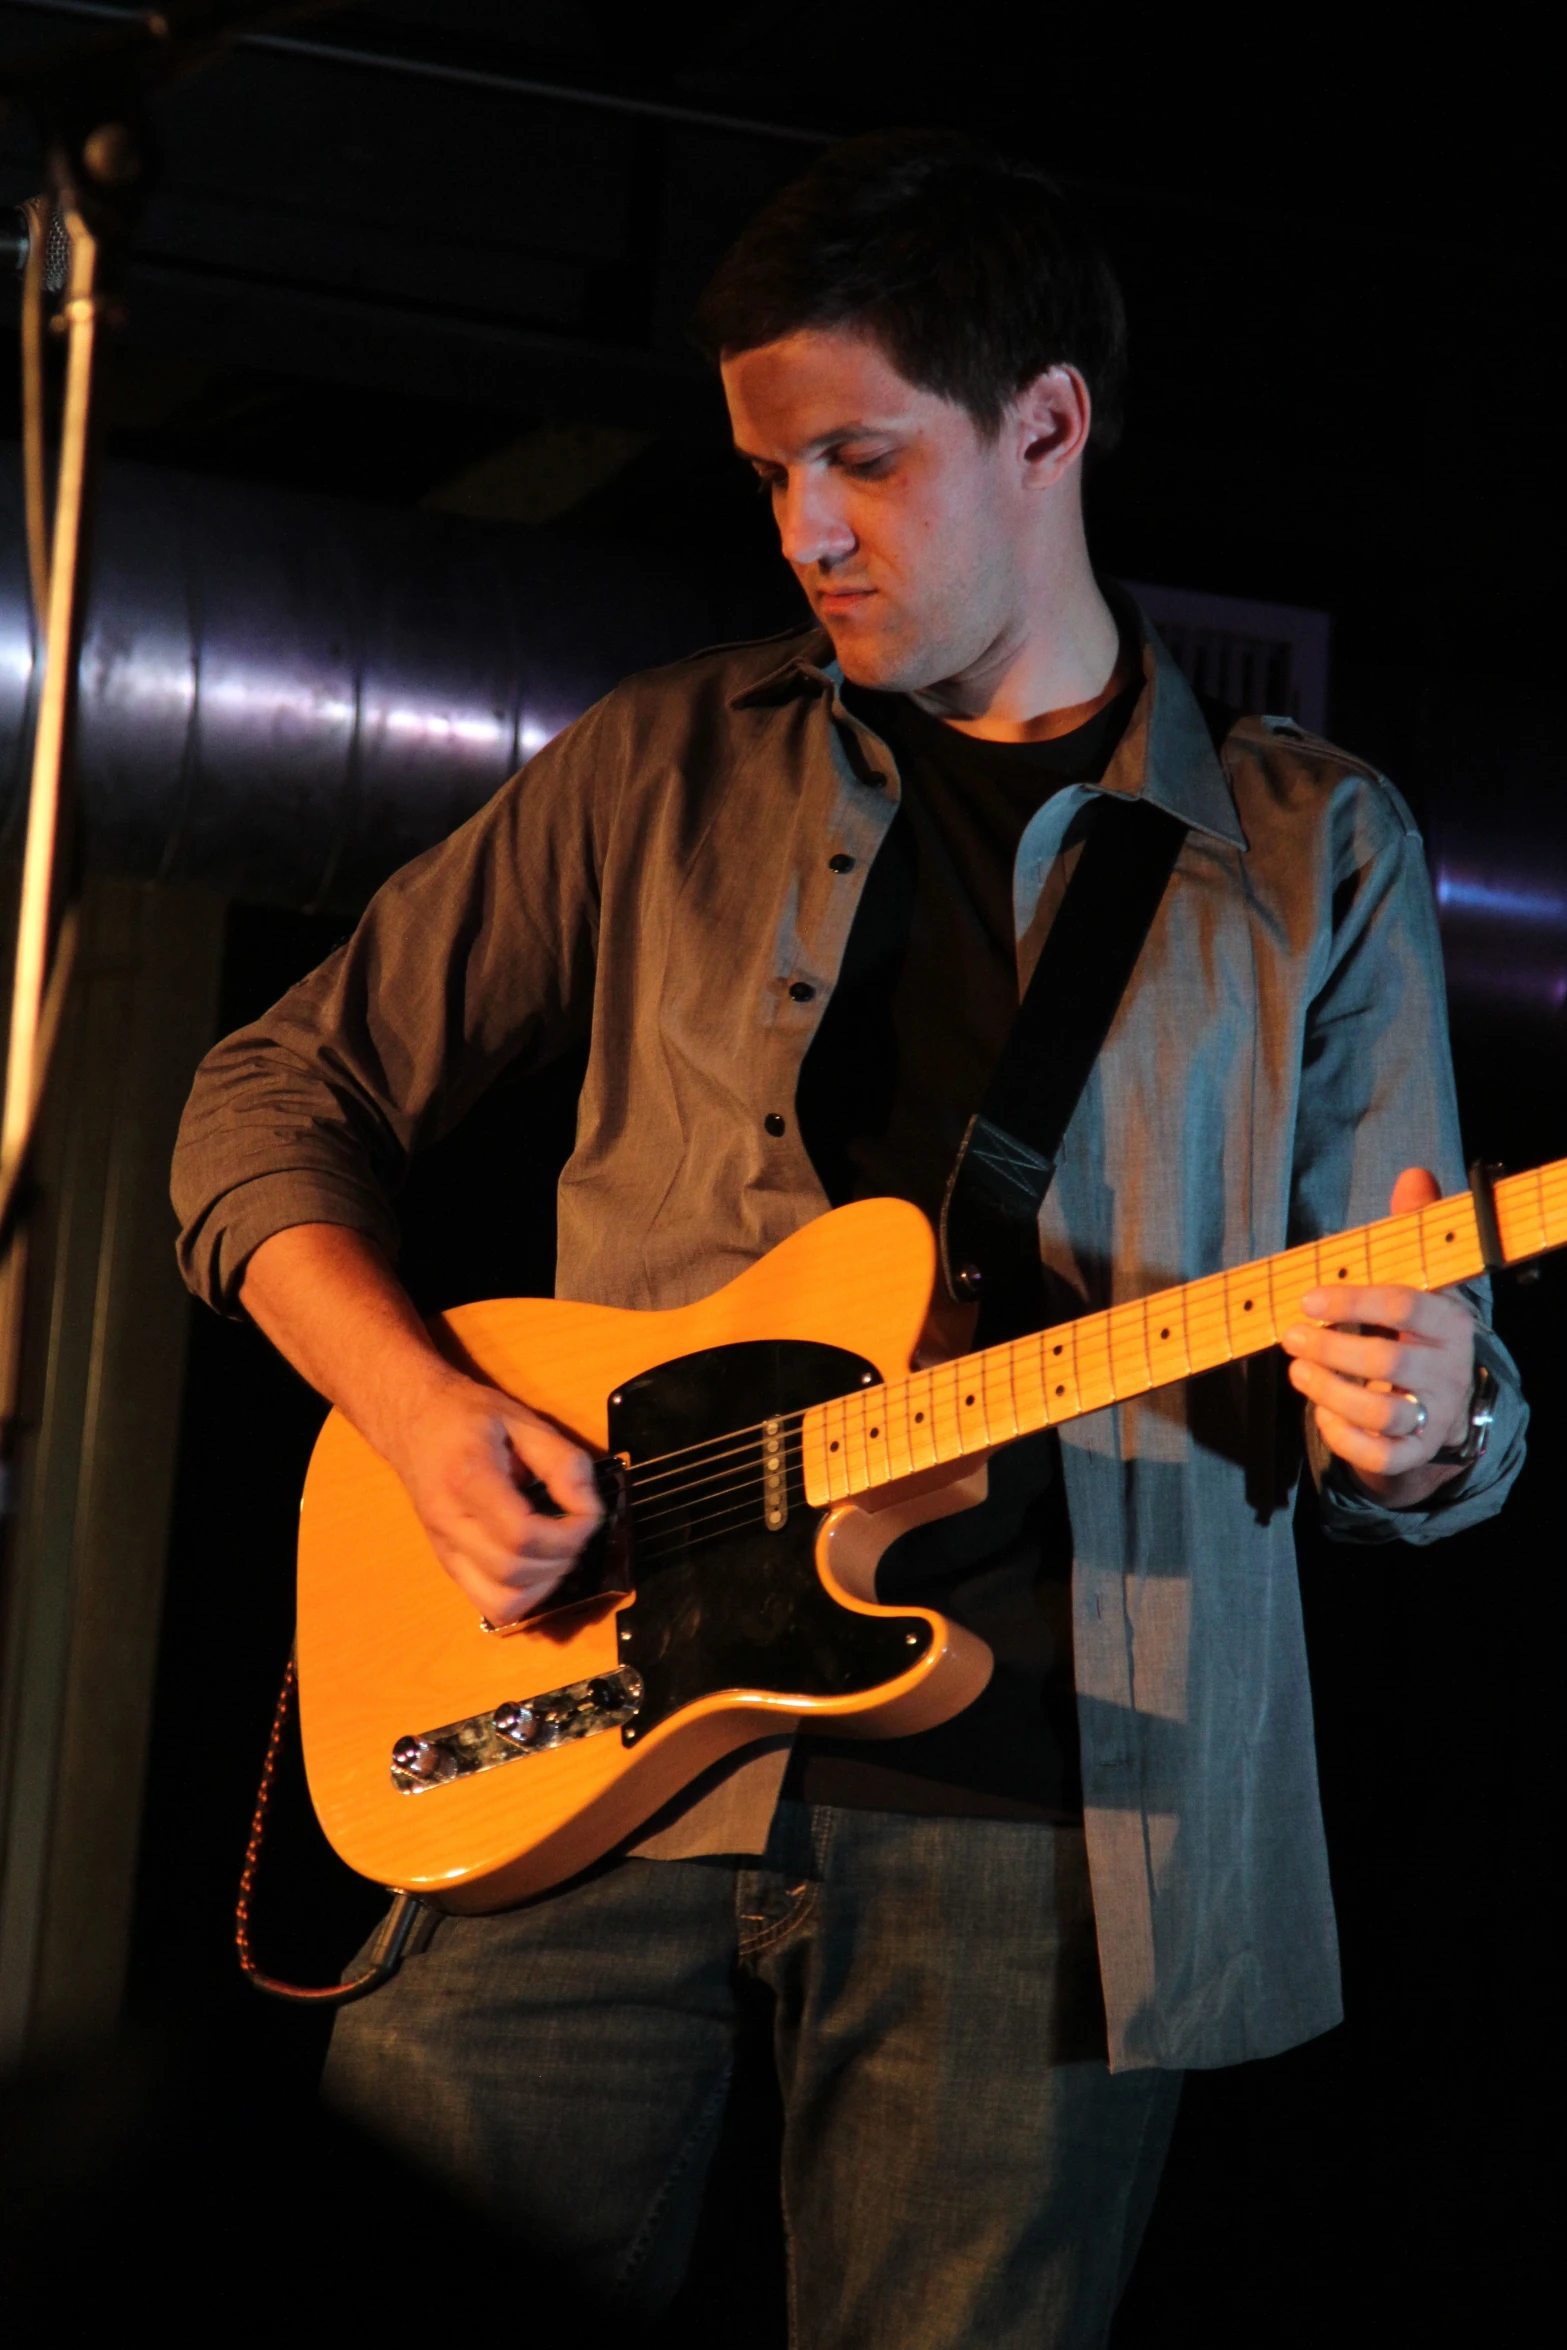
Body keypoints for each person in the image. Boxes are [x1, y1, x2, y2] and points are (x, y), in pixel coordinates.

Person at [171, 132, 1526, 2348]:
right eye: (772, 469)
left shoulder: (1313, 850)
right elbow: (264, 1099)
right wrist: (417, 1414)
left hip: (1058, 1835)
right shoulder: (662, 762)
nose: (804, 527)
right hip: (568, 1747)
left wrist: (1436, 1409)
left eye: (863, 461)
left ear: (1051, 424)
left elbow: (1426, 1406)